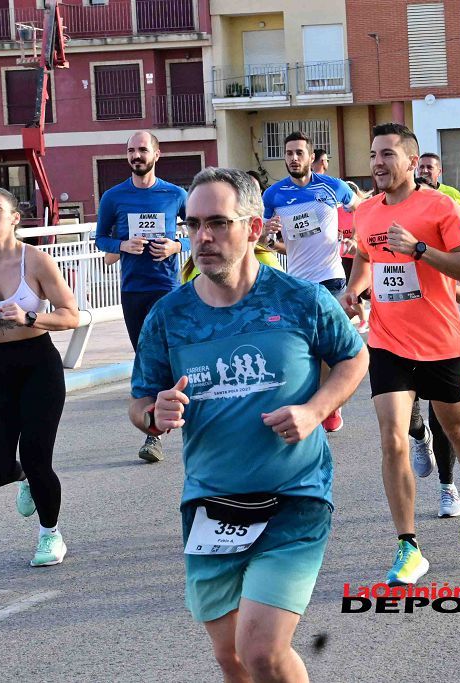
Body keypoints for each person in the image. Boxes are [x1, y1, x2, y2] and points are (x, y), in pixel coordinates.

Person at [130, 167, 367, 682]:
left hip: (295, 495)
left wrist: (314, 410)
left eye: (218, 222)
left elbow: (352, 358)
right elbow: (140, 402)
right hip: (210, 502)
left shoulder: (300, 299)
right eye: (192, 225)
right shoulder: (168, 316)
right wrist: (156, 413)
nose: (202, 237)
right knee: (232, 659)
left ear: (255, 228)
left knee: (260, 650)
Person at [342, 122, 460, 586]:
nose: (378, 163)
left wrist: (421, 249)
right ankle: (408, 546)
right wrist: (353, 290)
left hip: (441, 342)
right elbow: (367, 258)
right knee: (391, 437)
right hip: (387, 341)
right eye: (373, 154)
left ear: (411, 161)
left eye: (387, 154)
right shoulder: (365, 212)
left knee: (456, 426)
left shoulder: (439, 206)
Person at [0, 188, 79, 566]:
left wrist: (30, 317)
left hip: (38, 364)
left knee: (38, 457)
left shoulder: (36, 262)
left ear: (14, 218)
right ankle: (23, 480)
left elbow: (71, 314)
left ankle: (50, 535)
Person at [95, 130, 188, 464]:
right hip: (133, 290)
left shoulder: (175, 194)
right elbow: (100, 239)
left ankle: (192, 425)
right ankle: (154, 436)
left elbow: (200, 230)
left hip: (168, 289)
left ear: (157, 154)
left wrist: (177, 246)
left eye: (143, 150)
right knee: (147, 362)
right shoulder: (113, 197)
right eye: (131, 151)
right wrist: (122, 245)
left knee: (176, 355)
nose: (137, 155)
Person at [262, 131, 361, 432]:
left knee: (329, 346)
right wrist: (269, 231)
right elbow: (267, 243)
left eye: (299, 153)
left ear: (310, 157)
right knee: (305, 347)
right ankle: (319, 402)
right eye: (289, 153)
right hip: (297, 283)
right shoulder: (274, 195)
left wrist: (356, 238)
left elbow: (363, 210)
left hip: (331, 277)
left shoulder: (332, 187)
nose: (293, 158)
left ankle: (329, 406)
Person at [407, 281, 460, 519]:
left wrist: (442, 287)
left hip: (441, 336)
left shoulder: (443, 244)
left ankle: (447, 487)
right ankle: (420, 435)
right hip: (396, 339)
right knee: (406, 417)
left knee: (444, 419)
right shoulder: (384, 243)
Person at [339, 181, 371, 333]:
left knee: (368, 292)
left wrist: (353, 239)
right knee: (352, 291)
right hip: (345, 256)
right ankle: (364, 319)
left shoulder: (362, 209)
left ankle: (375, 315)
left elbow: (359, 231)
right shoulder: (338, 211)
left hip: (363, 255)